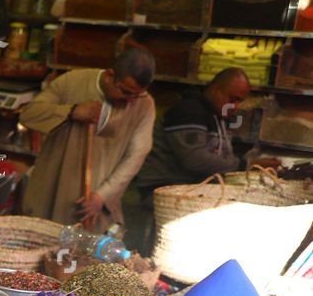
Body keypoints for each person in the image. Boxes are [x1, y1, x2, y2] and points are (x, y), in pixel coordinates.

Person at [18, 47, 157, 227]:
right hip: (51, 189)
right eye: (125, 92)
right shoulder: (72, 82)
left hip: (94, 203)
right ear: (109, 75)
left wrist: (103, 196)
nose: (130, 100)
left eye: (136, 95)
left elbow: (136, 155)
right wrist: (71, 111)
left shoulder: (144, 104)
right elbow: (28, 114)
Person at [133, 67, 259, 193]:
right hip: (162, 188)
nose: (235, 106)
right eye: (233, 99)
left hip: (191, 187)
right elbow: (194, 160)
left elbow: (224, 155)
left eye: (239, 101)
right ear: (216, 90)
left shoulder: (219, 115)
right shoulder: (189, 111)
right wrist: (244, 165)